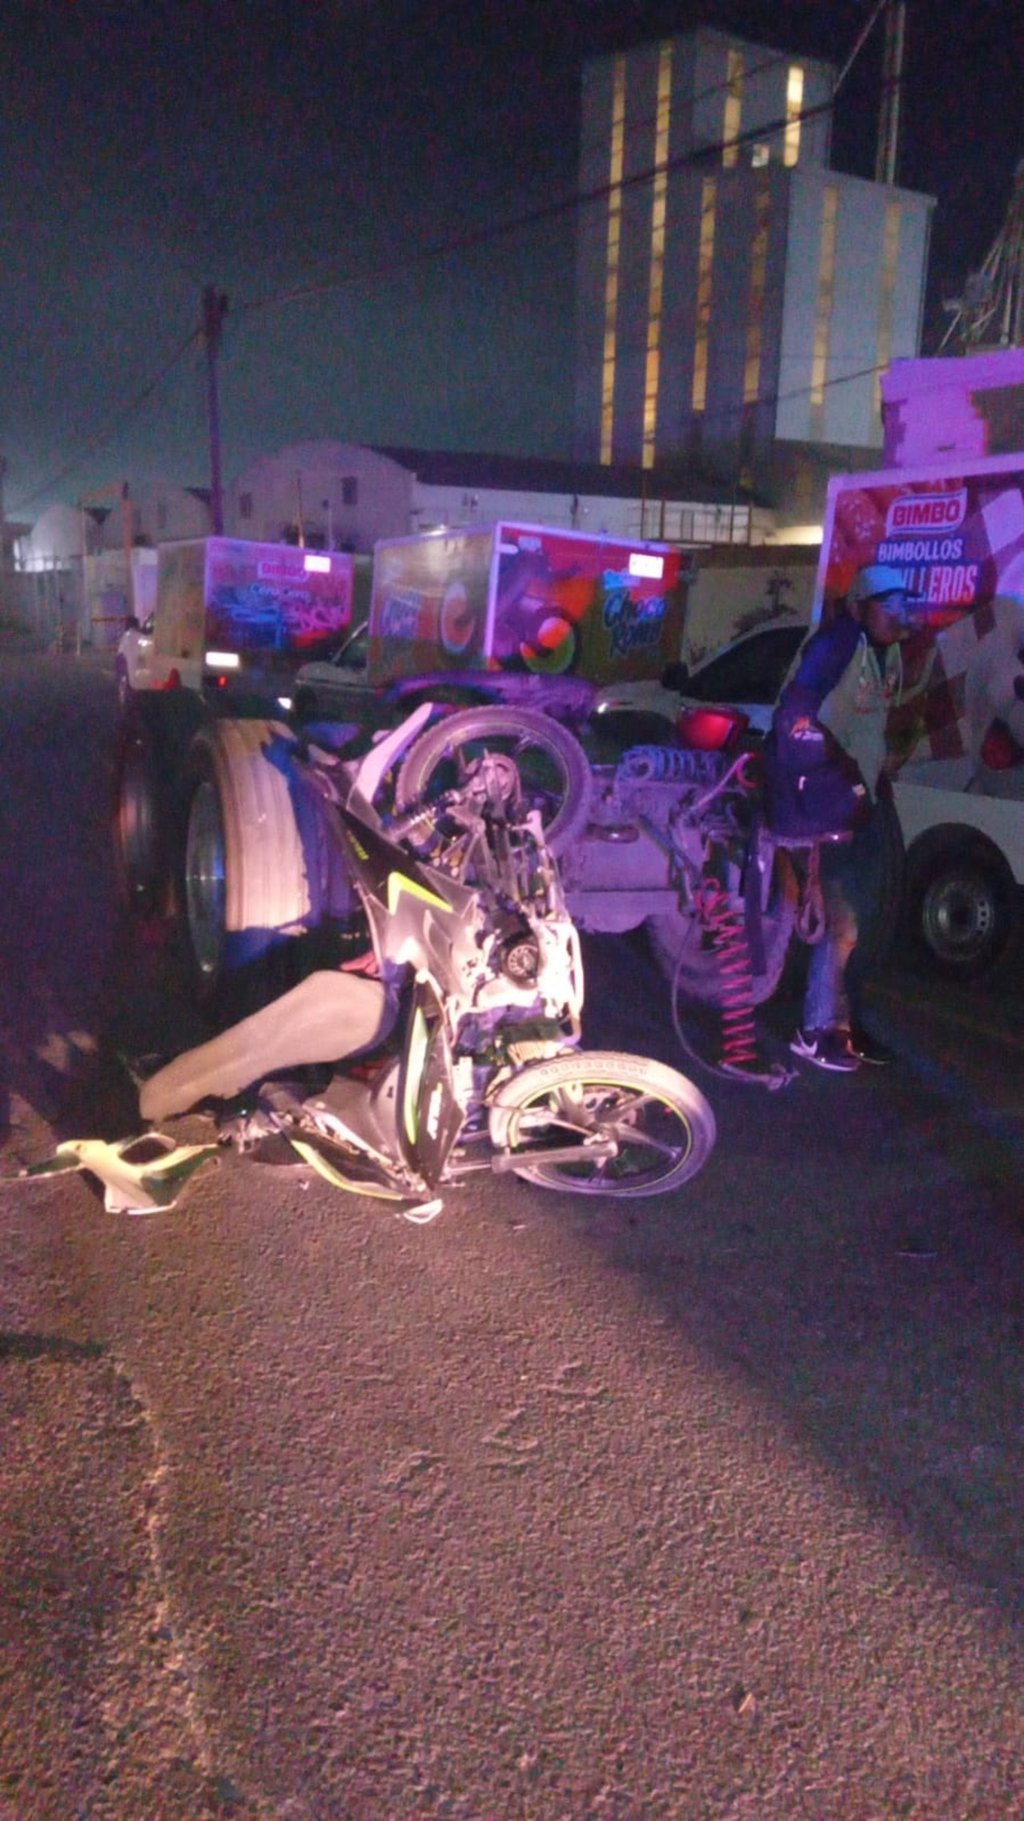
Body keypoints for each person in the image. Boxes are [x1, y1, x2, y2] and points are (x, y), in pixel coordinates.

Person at [774, 562, 917, 1073]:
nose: (901, 616)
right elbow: (795, 721)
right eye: (891, 606)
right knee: (844, 927)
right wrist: (844, 780)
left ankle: (845, 1026)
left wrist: (879, 772)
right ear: (861, 607)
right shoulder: (837, 644)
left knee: (865, 927)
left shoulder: (888, 652)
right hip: (831, 806)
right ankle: (813, 1032)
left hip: (866, 804)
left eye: (905, 606)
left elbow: (870, 723)